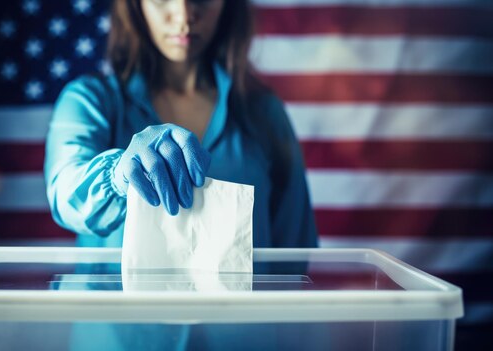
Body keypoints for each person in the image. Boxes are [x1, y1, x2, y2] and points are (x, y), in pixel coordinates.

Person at [45, 0, 319, 349]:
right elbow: (65, 194)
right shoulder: (90, 100)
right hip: (120, 340)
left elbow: (293, 250)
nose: (185, 15)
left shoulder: (264, 112)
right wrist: (118, 174)